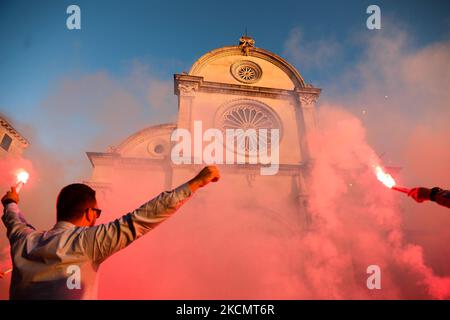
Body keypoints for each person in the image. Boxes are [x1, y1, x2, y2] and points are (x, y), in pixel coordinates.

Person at [1, 165, 220, 299]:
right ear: (89, 212)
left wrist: (11, 202)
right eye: (97, 212)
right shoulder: (88, 241)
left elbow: (13, 219)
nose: (97, 218)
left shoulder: (24, 240)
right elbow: (142, 218)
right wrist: (195, 183)